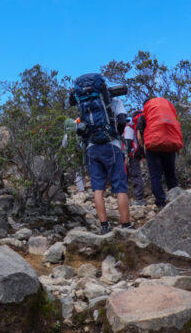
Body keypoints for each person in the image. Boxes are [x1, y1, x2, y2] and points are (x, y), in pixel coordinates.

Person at [73, 78, 131, 234]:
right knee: (120, 187)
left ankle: (104, 226)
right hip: (111, 146)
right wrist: (117, 136)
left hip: (92, 148)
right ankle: (125, 225)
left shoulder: (84, 104)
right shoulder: (115, 101)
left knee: (97, 188)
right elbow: (122, 121)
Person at [136, 98, 182, 209]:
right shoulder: (167, 115)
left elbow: (139, 136)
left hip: (153, 148)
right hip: (170, 147)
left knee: (155, 177)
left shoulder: (143, 117)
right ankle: (177, 200)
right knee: (171, 176)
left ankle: (161, 203)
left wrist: (144, 149)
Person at [123, 110, 147, 205]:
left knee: (135, 175)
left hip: (132, 155)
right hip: (137, 153)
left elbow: (128, 143)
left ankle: (139, 199)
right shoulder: (134, 126)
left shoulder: (128, 128)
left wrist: (126, 156)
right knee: (136, 175)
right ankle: (137, 197)